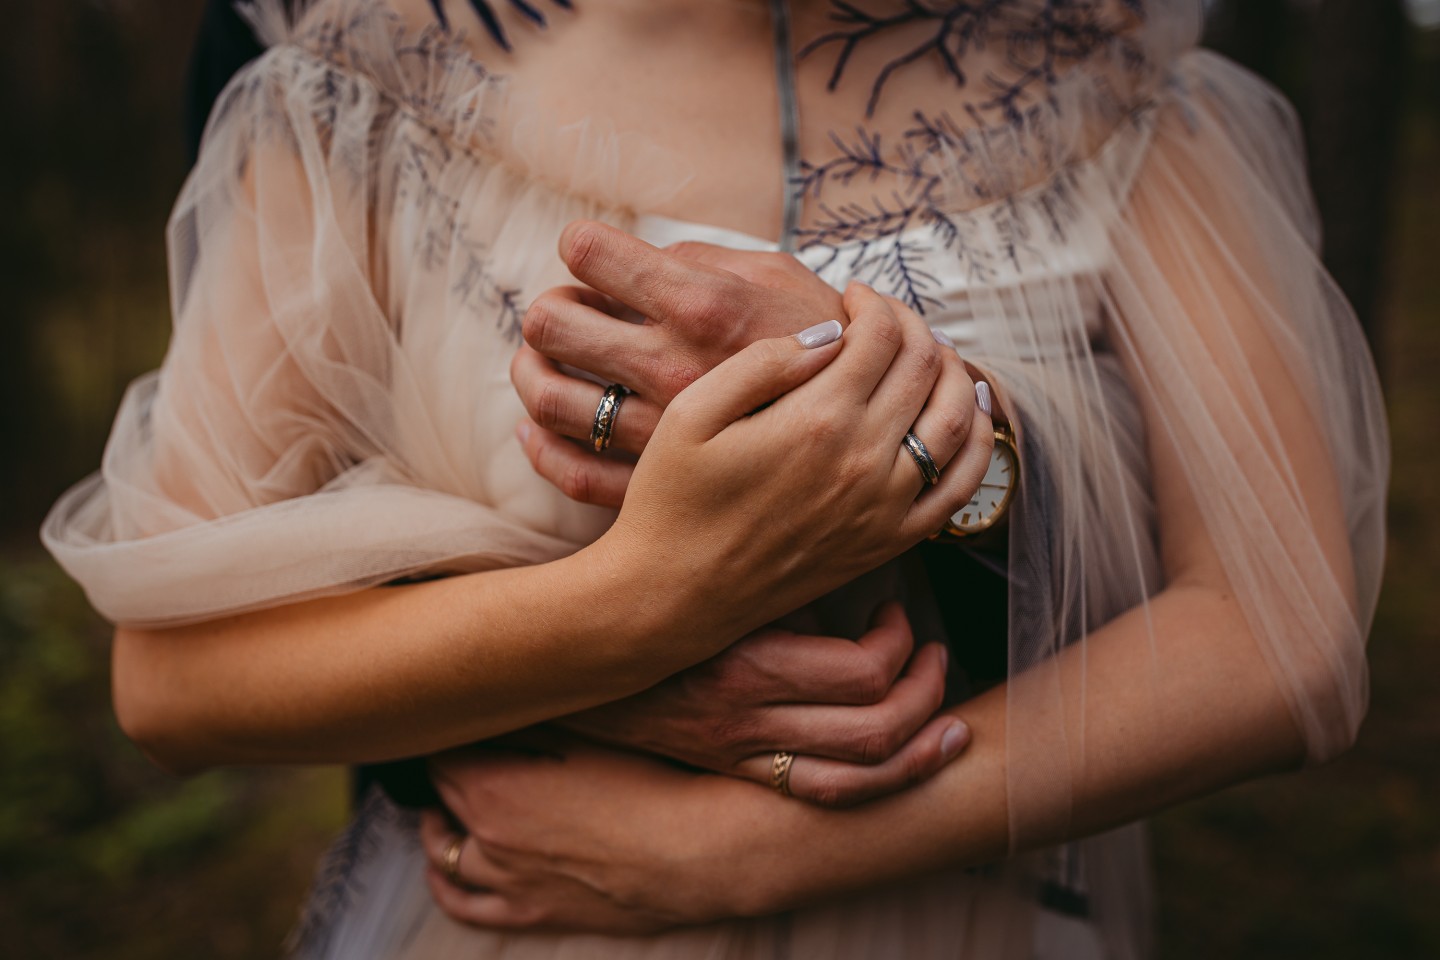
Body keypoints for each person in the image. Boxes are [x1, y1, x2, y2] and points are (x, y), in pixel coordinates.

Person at [40, 1, 1389, 958]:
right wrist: (641, 606)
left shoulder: (1120, 96)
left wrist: (746, 856)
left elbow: (1285, 639)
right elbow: (173, 682)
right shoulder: (360, 89)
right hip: (519, 914)